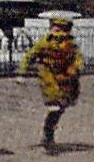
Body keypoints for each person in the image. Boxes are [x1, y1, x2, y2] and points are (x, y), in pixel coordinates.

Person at [18, 16, 83, 153]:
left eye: (61, 29)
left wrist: (76, 68)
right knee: (55, 106)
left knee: (60, 108)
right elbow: (29, 56)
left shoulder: (70, 44)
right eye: (55, 28)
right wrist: (21, 73)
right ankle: (48, 135)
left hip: (66, 79)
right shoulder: (44, 43)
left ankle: (49, 131)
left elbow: (78, 58)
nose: (57, 31)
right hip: (49, 78)